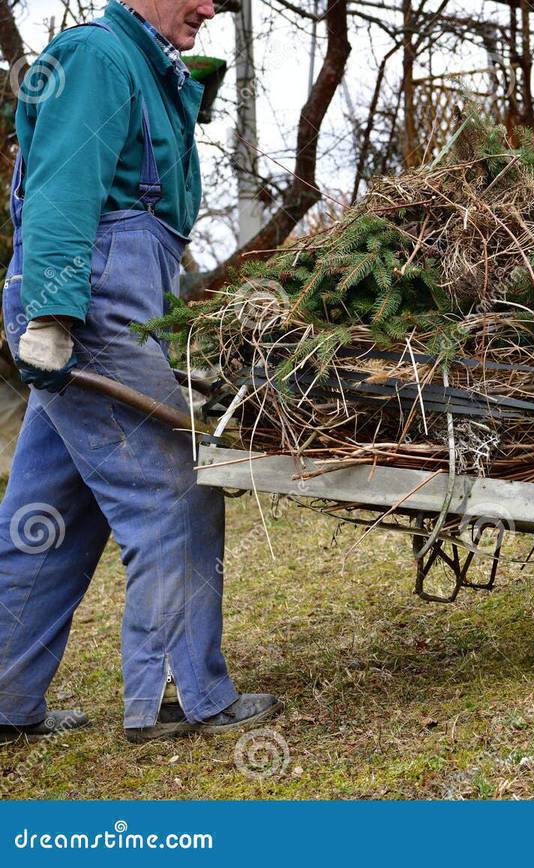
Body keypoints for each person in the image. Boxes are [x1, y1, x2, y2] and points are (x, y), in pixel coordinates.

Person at [0, 0, 280, 744]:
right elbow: (63, 184)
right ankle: (177, 698)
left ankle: (4, 698)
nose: (210, 7)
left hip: (110, 300)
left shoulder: (144, 65)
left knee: (48, 519)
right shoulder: (96, 55)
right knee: (173, 491)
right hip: (88, 312)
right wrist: (54, 317)